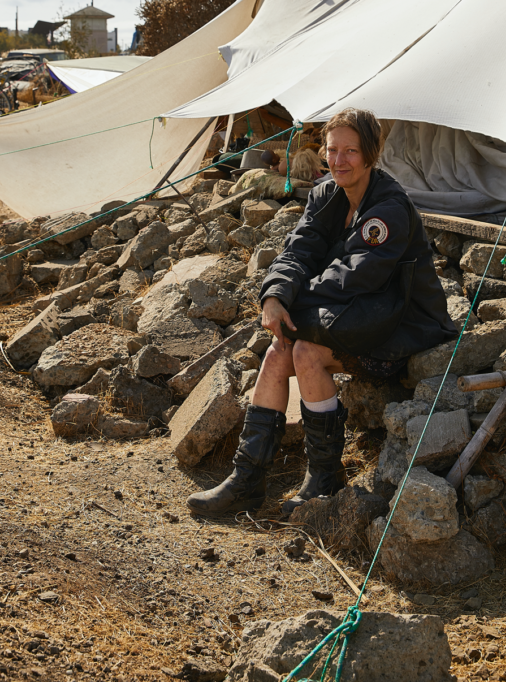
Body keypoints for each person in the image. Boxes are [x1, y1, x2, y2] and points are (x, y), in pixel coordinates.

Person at [186, 108, 456, 518]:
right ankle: (247, 480)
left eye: (351, 151)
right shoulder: (325, 195)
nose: (339, 160)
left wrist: (293, 302)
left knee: (304, 352)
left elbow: (353, 277)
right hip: (351, 315)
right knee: (281, 351)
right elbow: (300, 250)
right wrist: (274, 296)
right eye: (332, 150)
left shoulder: (388, 209)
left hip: (401, 324)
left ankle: (324, 478)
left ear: (371, 155)